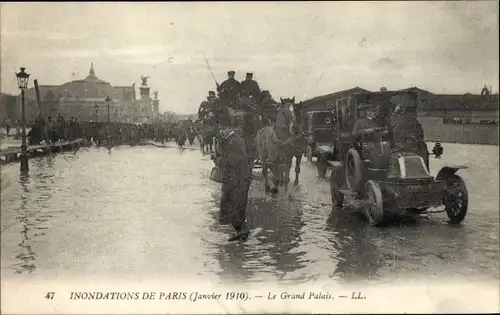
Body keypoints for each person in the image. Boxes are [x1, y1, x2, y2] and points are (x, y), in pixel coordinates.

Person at [216, 113, 252, 240]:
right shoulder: (232, 140)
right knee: (233, 207)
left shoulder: (234, 141)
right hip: (236, 179)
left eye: (224, 129)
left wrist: (219, 161)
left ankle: (242, 233)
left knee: (234, 206)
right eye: (220, 129)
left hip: (238, 180)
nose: (221, 131)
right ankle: (240, 232)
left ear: (230, 129)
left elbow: (233, 160)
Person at [389, 99, 429, 169]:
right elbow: (420, 135)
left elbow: (395, 132)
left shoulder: (400, 120)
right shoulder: (414, 121)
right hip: (416, 148)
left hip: (405, 147)